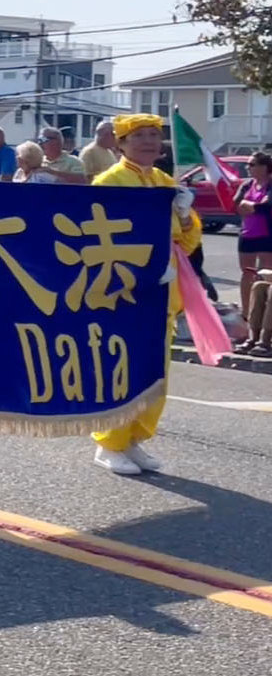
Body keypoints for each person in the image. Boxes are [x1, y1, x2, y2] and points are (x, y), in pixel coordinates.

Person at [90, 113, 201, 475]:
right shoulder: (110, 180)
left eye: (155, 135)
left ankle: (134, 439)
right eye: (140, 136)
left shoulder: (164, 181)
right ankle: (110, 443)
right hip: (124, 288)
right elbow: (98, 235)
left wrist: (185, 216)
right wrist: (139, 268)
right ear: (121, 143)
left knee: (157, 370)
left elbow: (186, 240)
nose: (150, 142)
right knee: (122, 367)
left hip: (162, 289)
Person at [234, 152, 272, 320]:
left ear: (264, 167)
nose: (247, 168)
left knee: (266, 274)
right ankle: (246, 312)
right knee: (247, 273)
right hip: (247, 234)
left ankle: (264, 315)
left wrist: (251, 206)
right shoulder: (247, 184)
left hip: (266, 234)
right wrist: (253, 206)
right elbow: (237, 203)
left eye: (252, 164)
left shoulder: (270, 184)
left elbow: (266, 206)